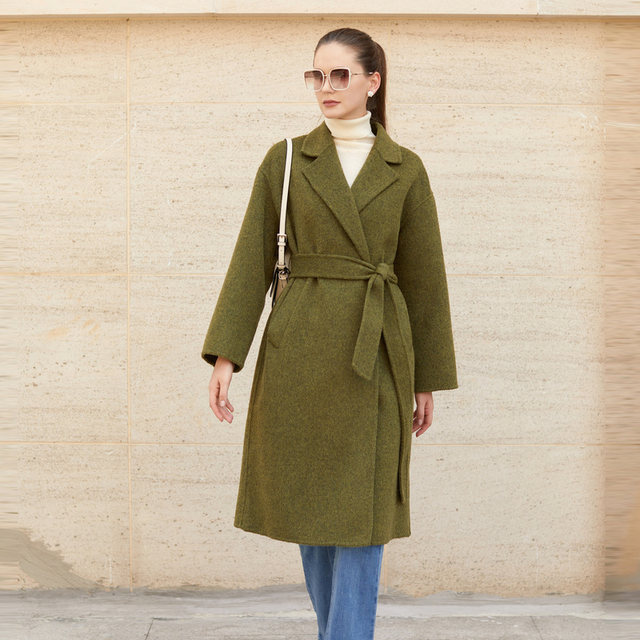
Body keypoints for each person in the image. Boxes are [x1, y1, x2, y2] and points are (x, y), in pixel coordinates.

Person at [201, 27, 458, 640]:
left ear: (373, 81)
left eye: (341, 74)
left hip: (377, 351)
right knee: (310, 508)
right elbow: (251, 259)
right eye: (317, 74)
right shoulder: (288, 158)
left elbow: (425, 278)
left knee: (364, 515)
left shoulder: (405, 168)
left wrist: (425, 377)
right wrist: (227, 356)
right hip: (301, 349)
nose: (326, 86)